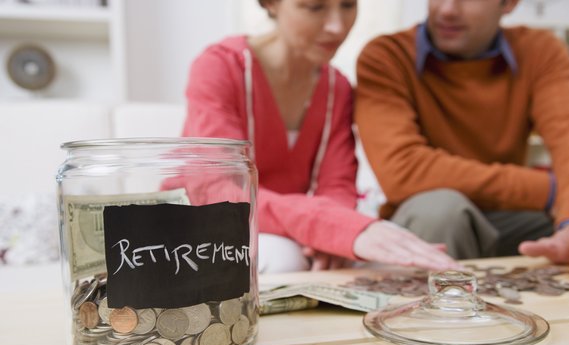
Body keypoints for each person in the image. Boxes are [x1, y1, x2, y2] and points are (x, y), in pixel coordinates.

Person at [180, 0, 460, 273]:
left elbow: (337, 184)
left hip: (294, 227)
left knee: (389, 259)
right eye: (315, 7)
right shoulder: (219, 67)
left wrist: (332, 239)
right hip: (208, 218)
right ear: (271, 4)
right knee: (283, 258)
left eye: (348, 5)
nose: (337, 26)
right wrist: (329, 227)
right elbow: (219, 188)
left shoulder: (336, 86)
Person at [355, 0, 569, 280]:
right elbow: (403, 170)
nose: (447, 9)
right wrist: (550, 190)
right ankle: (436, 320)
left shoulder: (539, 50)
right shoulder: (387, 56)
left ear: (508, 4)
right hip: (429, 220)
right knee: (441, 211)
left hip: (508, 216)